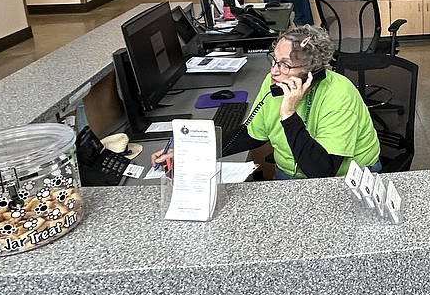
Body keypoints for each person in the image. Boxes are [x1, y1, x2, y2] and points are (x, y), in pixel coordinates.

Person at [152, 25, 380, 180]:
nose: (274, 71)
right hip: (288, 174)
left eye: (285, 65)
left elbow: (321, 171)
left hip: (346, 179)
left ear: (313, 72)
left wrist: (289, 114)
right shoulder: (274, 84)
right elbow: (252, 134)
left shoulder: (338, 94)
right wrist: (189, 152)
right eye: (274, 61)